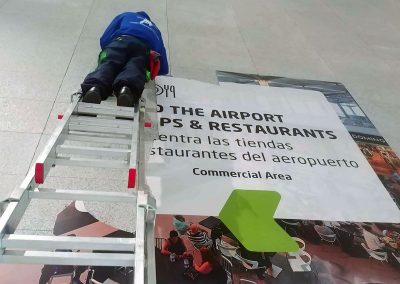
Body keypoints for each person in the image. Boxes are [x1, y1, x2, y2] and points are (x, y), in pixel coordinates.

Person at [81, 11, 168, 107]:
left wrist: (109, 48)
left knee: (109, 63)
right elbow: (163, 63)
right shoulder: (155, 28)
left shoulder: (126, 15)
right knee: (135, 67)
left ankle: (95, 88)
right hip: (142, 48)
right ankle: (126, 90)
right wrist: (160, 70)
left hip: (121, 40)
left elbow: (105, 37)